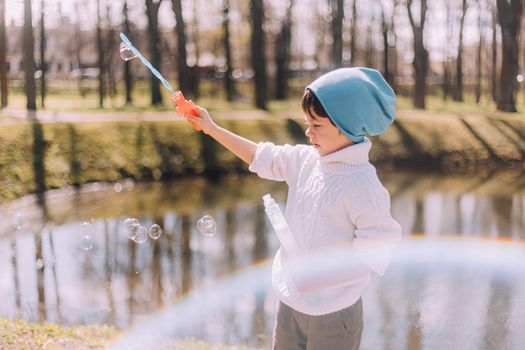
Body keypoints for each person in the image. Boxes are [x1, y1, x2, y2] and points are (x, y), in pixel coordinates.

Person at [175, 67, 402, 350]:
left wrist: (322, 276)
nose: (308, 132)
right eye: (307, 123)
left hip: (335, 311)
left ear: (347, 125)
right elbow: (260, 155)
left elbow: (377, 248)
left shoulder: (362, 184)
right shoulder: (304, 161)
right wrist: (212, 128)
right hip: (291, 302)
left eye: (316, 126)